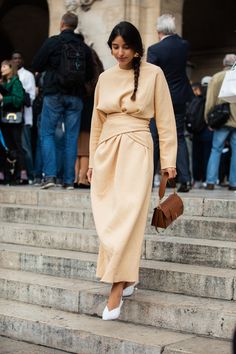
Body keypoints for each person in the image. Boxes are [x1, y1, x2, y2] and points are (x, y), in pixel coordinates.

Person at [87, 21, 177, 321]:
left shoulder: (154, 74)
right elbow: (96, 122)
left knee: (128, 215)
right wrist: (90, 161)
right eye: (115, 46)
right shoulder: (104, 77)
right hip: (106, 152)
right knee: (110, 217)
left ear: (137, 47)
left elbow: (165, 120)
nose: (120, 52)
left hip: (138, 148)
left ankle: (116, 288)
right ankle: (125, 274)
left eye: (125, 46)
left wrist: (169, 162)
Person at [32, 12, 94, 190]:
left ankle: (50, 176)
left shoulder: (53, 42)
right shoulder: (83, 47)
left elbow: (36, 64)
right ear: (75, 26)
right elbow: (89, 74)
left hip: (54, 95)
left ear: (61, 24)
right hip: (75, 97)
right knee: (71, 138)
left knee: (47, 133)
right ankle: (68, 180)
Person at [147, 14, 193, 192]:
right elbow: (179, 40)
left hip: (160, 99)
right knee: (179, 137)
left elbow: (150, 77)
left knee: (155, 138)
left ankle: (149, 179)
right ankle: (185, 179)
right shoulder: (183, 45)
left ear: (158, 31)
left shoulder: (154, 50)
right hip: (180, 98)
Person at [205, 53, 236, 191]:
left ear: (224, 64)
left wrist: (208, 119)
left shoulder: (216, 77)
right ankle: (234, 183)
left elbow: (210, 100)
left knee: (216, 149)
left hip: (220, 120)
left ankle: (211, 181)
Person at [0, 60, 27, 184]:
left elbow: (19, 99)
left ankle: (20, 174)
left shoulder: (16, 82)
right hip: (4, 119)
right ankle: (8, 174)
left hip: (15, 119)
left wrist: (3, 99)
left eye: (4, 66)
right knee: (8, 147)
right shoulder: (3, 82)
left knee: (17, 145)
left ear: (11, 68)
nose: (2, 68)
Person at [12, 50, 36, 184]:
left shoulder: (27, 75)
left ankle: (31, 175)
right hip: (9, 119)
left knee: (25, 147)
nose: (16, 60)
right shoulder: (8, 76)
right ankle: (16, 175)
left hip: (24, 117)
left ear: (22, 60)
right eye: (14, 58)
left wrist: (18, 96)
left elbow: (31, 96)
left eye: (19, 58)